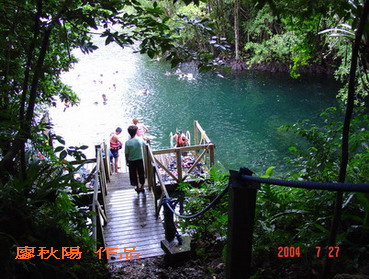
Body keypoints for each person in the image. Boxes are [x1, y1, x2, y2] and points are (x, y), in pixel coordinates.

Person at [125, 125, 146, 193]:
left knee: (133, 174)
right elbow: (145, 145)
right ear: (136, 132)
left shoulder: (127, 143)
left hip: (131, 160)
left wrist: (126, 161)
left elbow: (126, 153)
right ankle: (142, 186)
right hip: (139, 159)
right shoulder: (140, 140)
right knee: (141, 172)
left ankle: (136, 186)